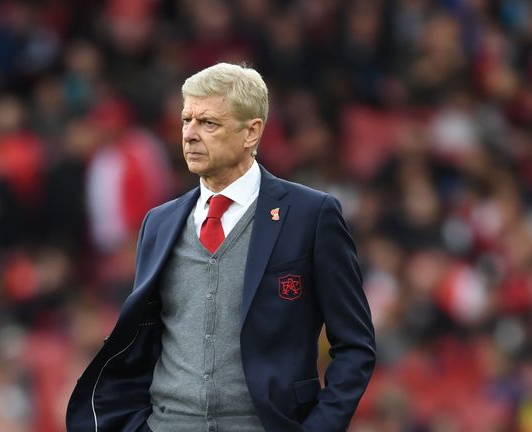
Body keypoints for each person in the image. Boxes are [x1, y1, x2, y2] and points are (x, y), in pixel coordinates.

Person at [66, 63, 375, 432]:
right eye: (186, 120)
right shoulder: (159, 223)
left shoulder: (312, 215)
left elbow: (355, 345)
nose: (190, 134)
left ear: (252, 132)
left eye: (208, 123)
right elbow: (142, 342)